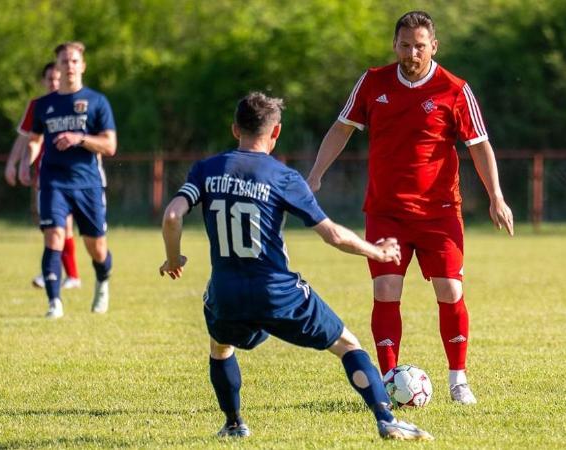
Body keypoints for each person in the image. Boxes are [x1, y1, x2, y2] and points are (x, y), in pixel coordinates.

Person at [160, 92, 433, 441]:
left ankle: (233, 424)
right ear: (275, 133)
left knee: (220, 345)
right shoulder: (283, 177)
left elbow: (171, 215)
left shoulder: (206, 169)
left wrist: (173, 258)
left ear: (234, 129)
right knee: (349, 345)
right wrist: (375, 251)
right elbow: (333, 234)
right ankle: (386, 419)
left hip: (226, 292)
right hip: (277, 291)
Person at [306, 11, 515, 405]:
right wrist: (316, 174)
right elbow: (342, 126)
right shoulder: (373, 82)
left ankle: (458, 380)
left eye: (420, 45)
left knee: (451, 290)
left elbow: (480, 145)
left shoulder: (454, 89)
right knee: (386, 290)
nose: (412, 53)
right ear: (395, 45)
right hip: (386, 211)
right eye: (405, 45)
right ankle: (388, 381)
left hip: (439, 212)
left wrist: (496, 197)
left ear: (433, 46)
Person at [21, 41, 117, 319]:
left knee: (96, 248)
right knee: (54, 236)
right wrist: (29, 163)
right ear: (58, 67)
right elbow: (35, 139)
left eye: (74, 61)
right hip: (53, 181)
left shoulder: (98, 102)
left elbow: (110, 146)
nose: (70, 66)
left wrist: (80, 138)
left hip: (88, 183)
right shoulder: (44, 105)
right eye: (65, 61)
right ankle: (55, 303)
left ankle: (103, 280)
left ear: (82, 66)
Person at [5, 62, 82, 291]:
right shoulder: (37, 106)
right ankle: (61, 273)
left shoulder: (74, 103)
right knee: (51, 225)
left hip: (71, 175)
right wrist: (14, 163)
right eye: (50, 79)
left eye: (58, 79)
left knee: (63, 225)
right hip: (44, 175)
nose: (54, 83)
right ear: (43, 81)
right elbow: (25, 137)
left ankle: (62, 273)